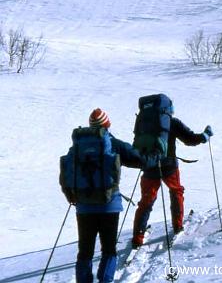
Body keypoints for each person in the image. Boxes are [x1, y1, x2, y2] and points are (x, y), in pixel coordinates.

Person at [61, 108, 151, 283]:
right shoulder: (113, 143)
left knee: (85, 250)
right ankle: (105, 280)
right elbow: (140, 159)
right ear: (107, 124)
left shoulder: (77, 146)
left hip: (84, 205)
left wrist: (71, 196)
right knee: (108, 248)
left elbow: (66, 172)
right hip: (109, 204)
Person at [132, 108, 213, 248]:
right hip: (169, 166)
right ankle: (177, 225)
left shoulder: (142, 122)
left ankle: (138, 237)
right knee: (176, 191)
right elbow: (190, 139)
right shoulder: (171, 122)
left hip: (149, 166)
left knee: (146, 200)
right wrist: (205, 136)